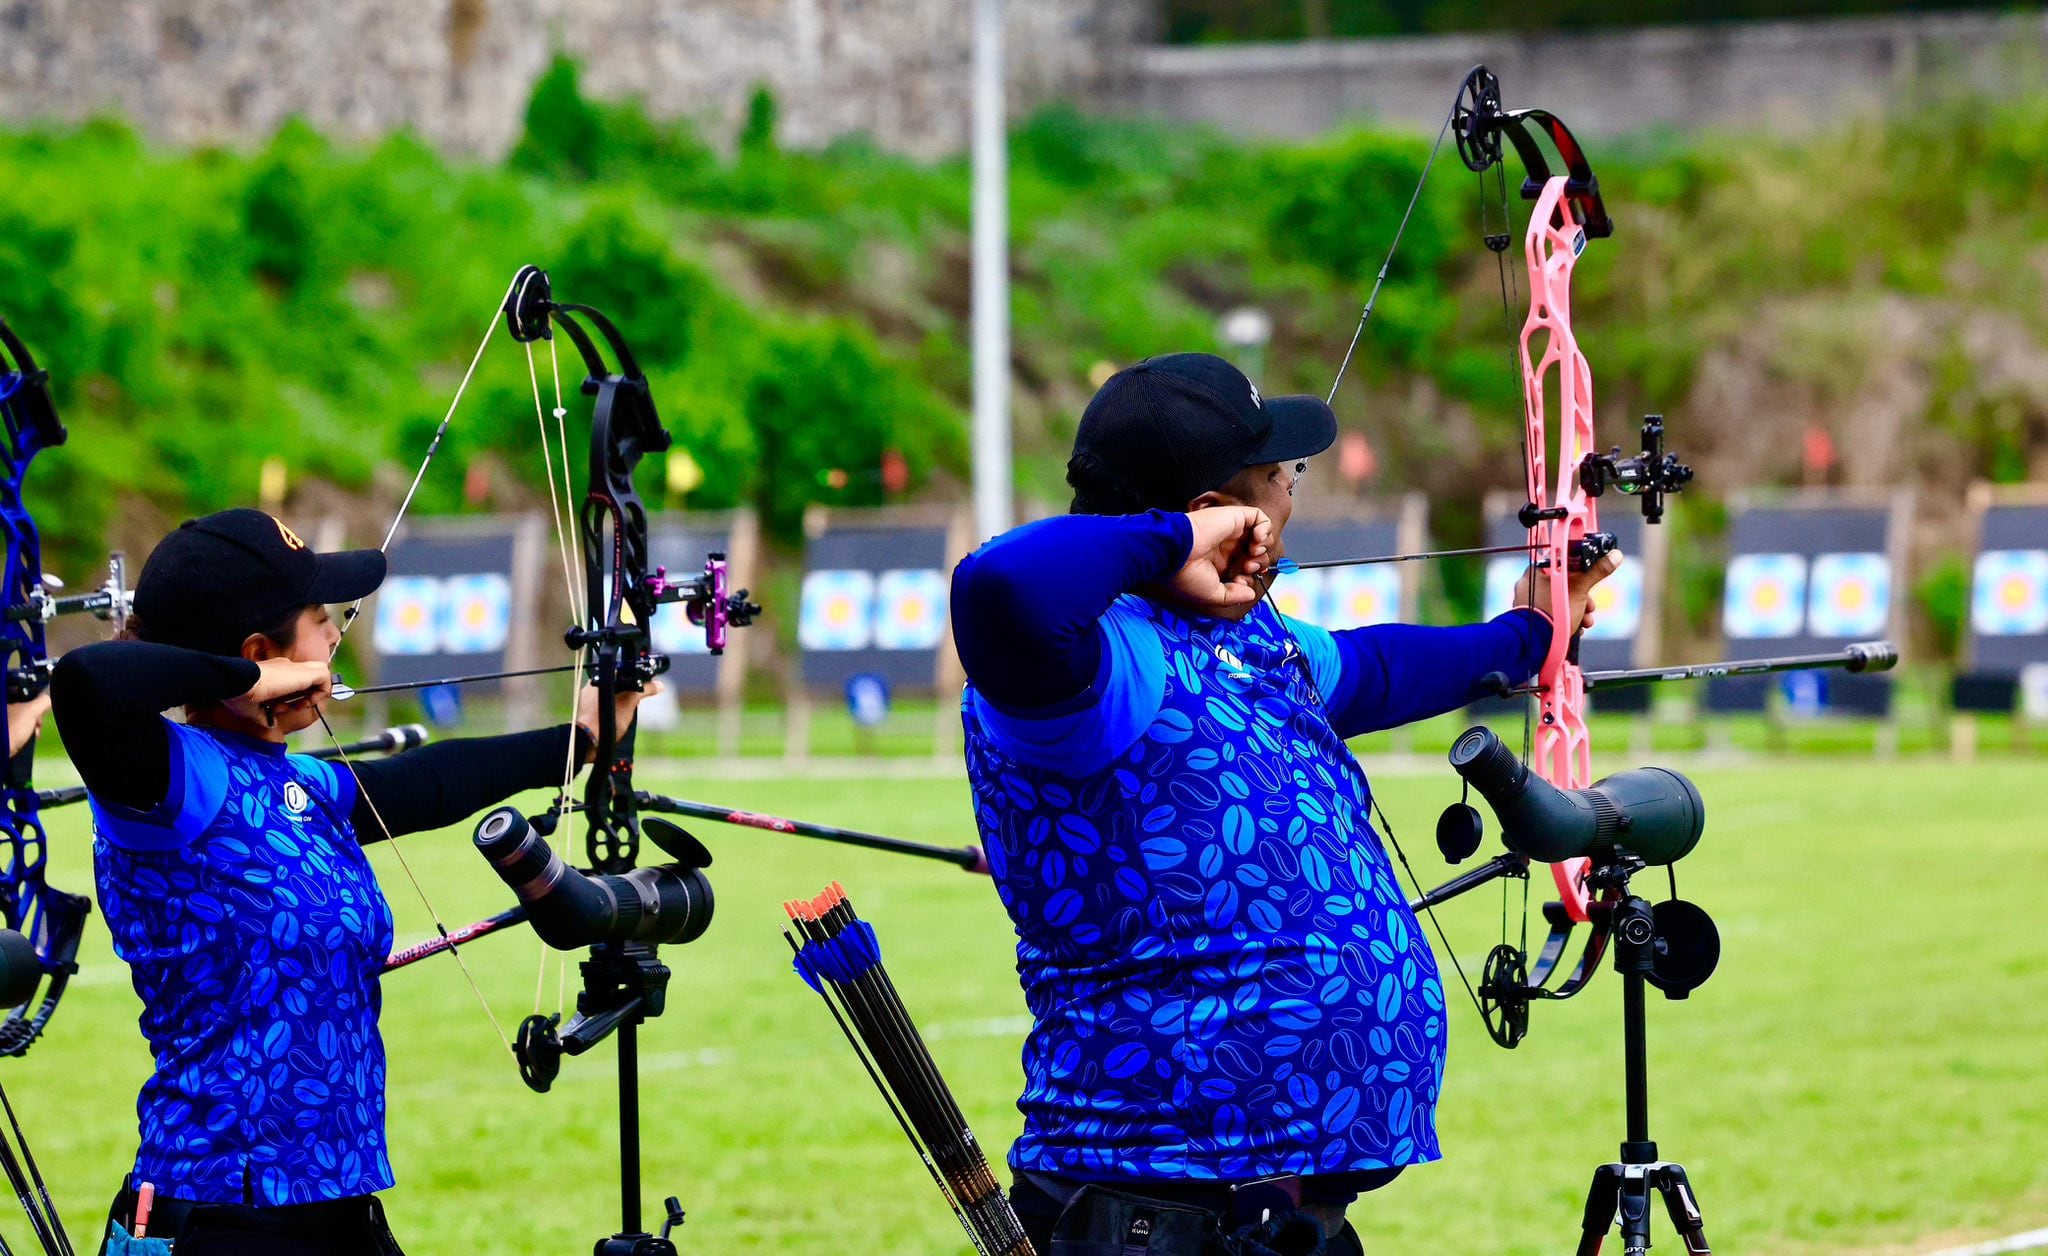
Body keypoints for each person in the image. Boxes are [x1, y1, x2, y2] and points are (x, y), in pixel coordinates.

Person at [950, 354, 1616, 1255]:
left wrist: (1532, 631)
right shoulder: (1096, 666)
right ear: (1216, 511)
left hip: (1282, 1216)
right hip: (1151, 1214)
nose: (1292, 498)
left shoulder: (1245, 633)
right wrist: (1176, 541)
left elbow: (1376, 670)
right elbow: (1001, 586)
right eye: (1279, 477)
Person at [50, 509, 650, 1256]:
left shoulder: (297, 783)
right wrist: (257, 678)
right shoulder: (168, 783)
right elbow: (85, 680)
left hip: (339, 1205)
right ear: (261, 650)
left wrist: (585, 738)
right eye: (320, 618)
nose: (336, 634)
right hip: (222, 1210)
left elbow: (428, 782)